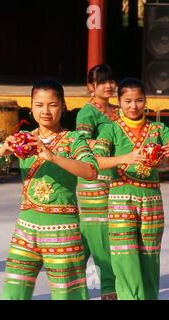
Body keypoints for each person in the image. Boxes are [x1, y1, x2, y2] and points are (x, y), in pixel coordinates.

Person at [0, 79, 99, 300]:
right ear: (31, 108)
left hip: (62, 231)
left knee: (67, 294)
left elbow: (90, 171)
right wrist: (4, 148)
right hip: (25, 229)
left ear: (63, 106)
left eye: (52, 105)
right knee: (13, 292)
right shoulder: (24, 140)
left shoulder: (74, 140)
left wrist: (52, 157)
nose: (46, 111)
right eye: (39, 105)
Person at [94, 78, 169, 300]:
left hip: (151, 200)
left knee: (149, 256)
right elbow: (95, 160)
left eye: (139, 100)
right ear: (119, 102)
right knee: (124, 256)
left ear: (146, 101)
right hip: (121, 199)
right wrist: (125, 158)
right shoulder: (111, 129)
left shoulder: (158, 129)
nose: (133, 106)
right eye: (127, 101)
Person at [75, 64, 118, 300]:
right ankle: (108, 288)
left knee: (90, 233)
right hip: (93, 177)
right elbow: (80, 142)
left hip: (113, 177)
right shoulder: (87, 112)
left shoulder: (115, 110)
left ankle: (70, 279)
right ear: (91, 86)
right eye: (102, 82)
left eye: (111, 81)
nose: (108, 85)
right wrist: (109, 146)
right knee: (100, 232)